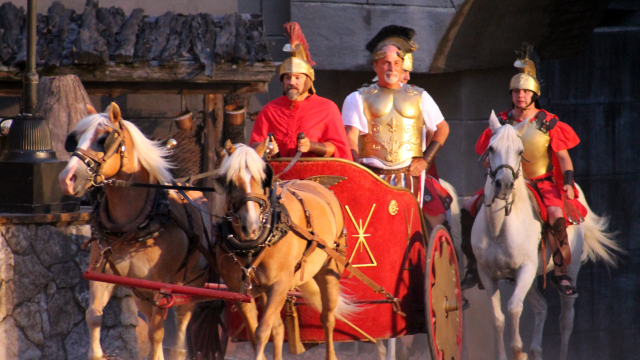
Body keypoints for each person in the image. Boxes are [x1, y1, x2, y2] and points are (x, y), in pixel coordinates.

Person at [461, 46, 587, 297]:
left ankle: (561, 272)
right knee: (467, 208)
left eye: (525, 91)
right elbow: (487, 158)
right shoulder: (501, 122)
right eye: (516, 91)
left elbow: (564, 158)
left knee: (554, 214)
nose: (520, 95)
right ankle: (474, 265)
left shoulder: (549, 123)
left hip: (541, 183)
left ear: (534, 94)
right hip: (507, 181)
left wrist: (569, 183)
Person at [342, 25, 450, 213]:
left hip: (409, 175)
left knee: (410, 226)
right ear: (375, 65)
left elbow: (442, 128)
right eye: (386, 62)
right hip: (371, 174)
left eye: (396, 63)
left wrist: (425, 160)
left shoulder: (420, 95)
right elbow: (351, 137)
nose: (392, 68)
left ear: (401, 66)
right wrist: (358, 168)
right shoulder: (356, 98)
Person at [250, 22, 352, 161]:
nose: (291, 82)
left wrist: (311, 146)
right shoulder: (269, 110)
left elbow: (338, 149)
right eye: (287, 77)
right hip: (278, 177)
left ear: (308, 80)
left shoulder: (327, 108)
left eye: (297, 77)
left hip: (316, 177)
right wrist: (265, 147)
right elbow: (254, 145)